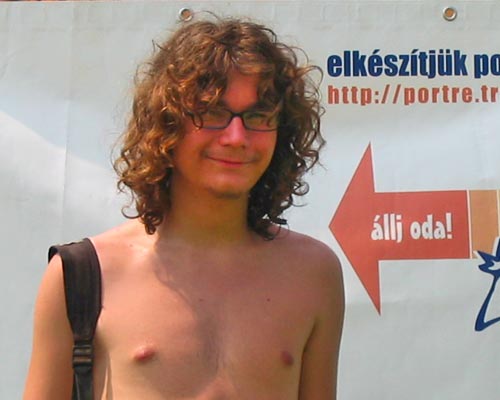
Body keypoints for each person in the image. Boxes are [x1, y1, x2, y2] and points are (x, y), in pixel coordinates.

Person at [23, 17, 344, 399]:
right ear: (166, 125)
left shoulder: (314, 274)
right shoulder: (80, 275)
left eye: (258, 117)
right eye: (212, 113)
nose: (237, 137)